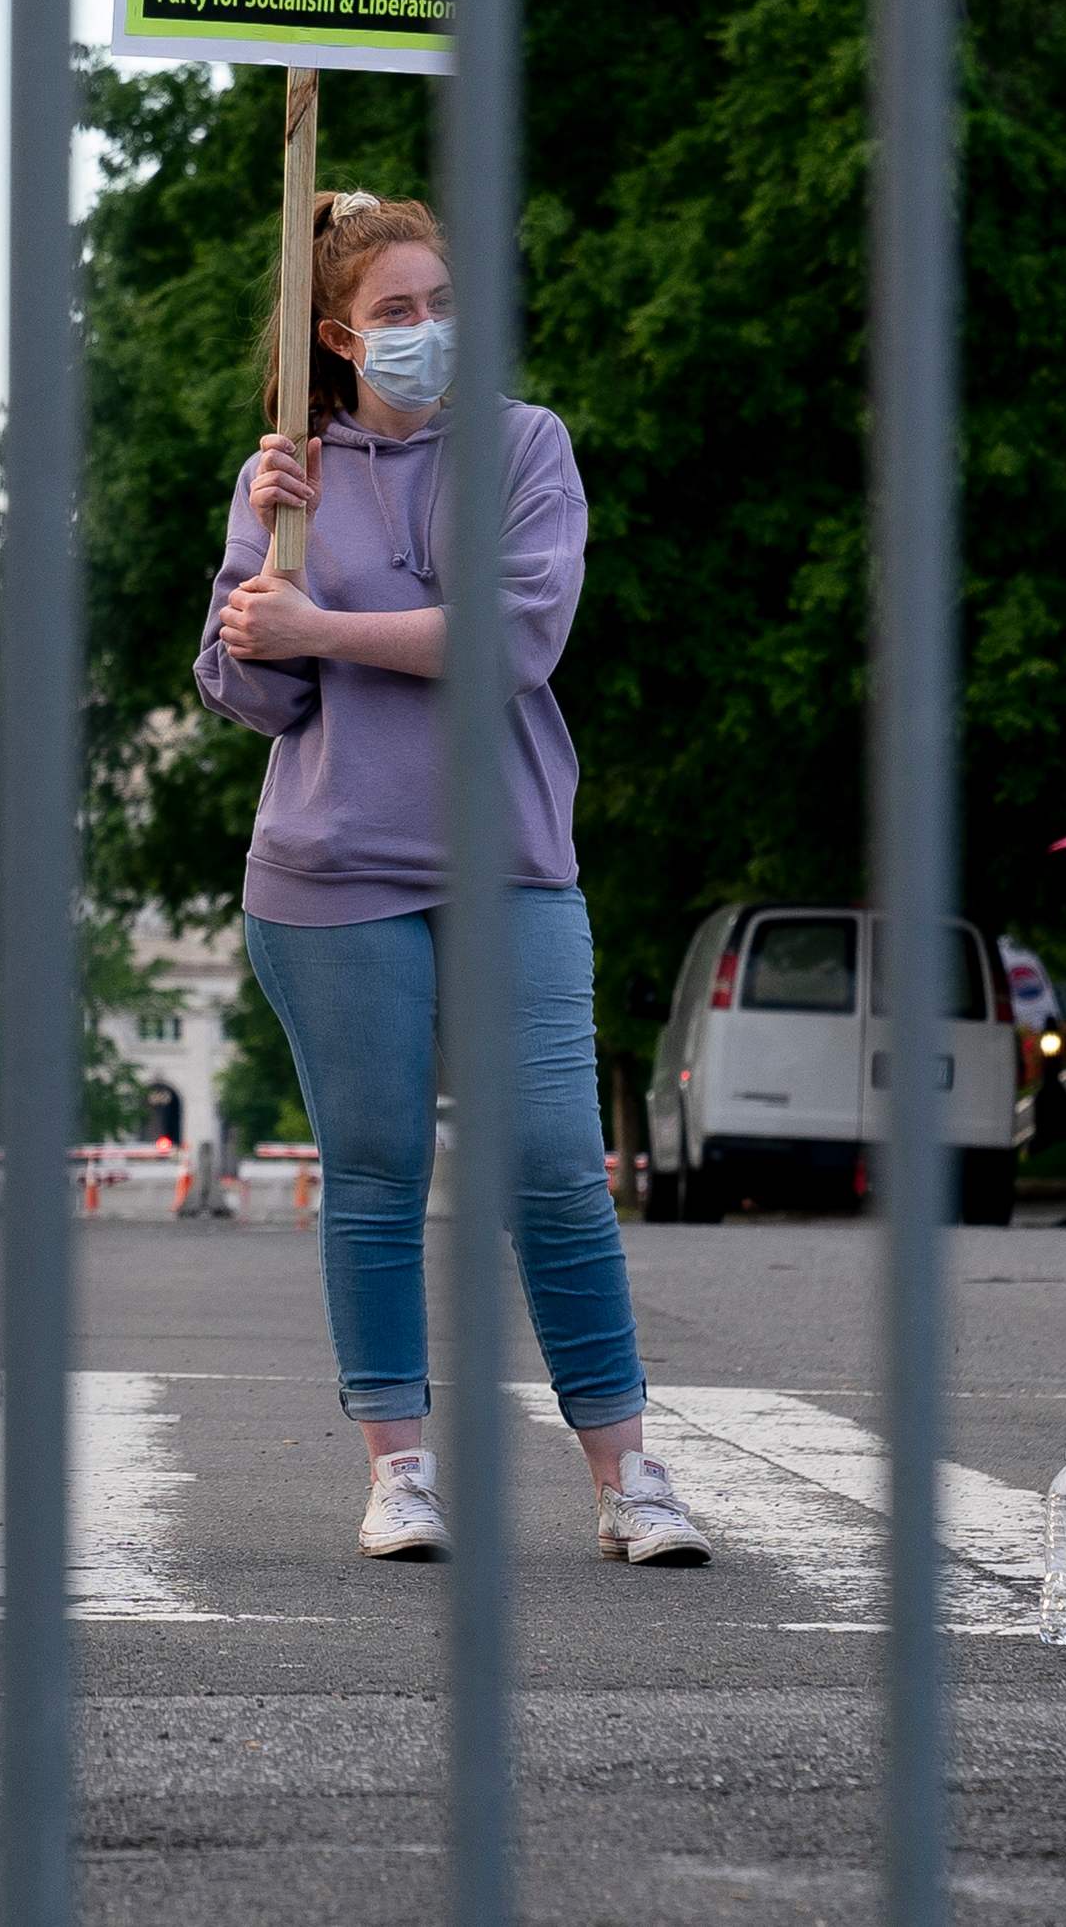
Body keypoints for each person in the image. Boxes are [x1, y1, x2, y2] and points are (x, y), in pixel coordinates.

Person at [196, 189, 710, 1568]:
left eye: (440, 303)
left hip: (512, 858)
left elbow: (517, 637)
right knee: (372, 1170)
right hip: (327, 865)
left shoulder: (525, 446)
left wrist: (328, 622)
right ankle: (399, 1469)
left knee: (550, 1162)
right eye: (393, 314)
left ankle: (630, 1474)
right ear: (336, 335)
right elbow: (247, 686)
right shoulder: (291, 467)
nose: (426, 331)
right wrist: (269, 556)